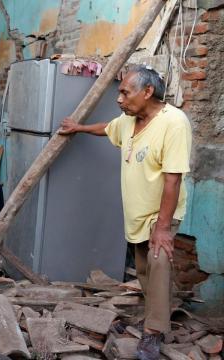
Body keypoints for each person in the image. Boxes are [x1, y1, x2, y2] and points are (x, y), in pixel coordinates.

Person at [59, 65, 192, 360]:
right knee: (144, 269)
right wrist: (78, 128)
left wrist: (162, 227)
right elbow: (108, 128)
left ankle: (153, 334)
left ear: (147, 92)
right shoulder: (129, 120)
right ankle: (154, 315)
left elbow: (173, 179)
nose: (119, 99)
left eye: (124, 92)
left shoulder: (174, 123)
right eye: (119, 92)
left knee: (158, 263)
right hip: (136, 212)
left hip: (161, 213)